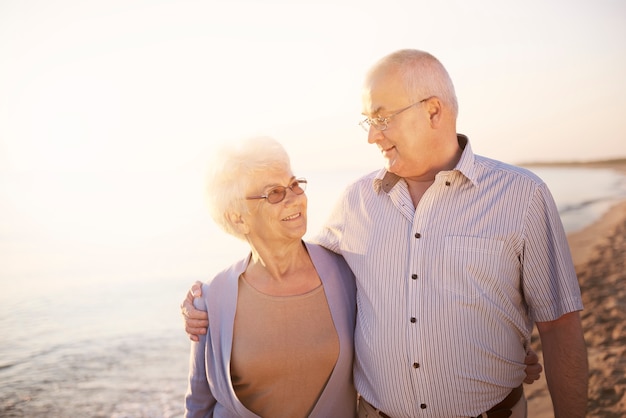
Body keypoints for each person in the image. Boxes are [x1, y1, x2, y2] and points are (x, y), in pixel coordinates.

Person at [184, 48, 585, 417]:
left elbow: (560, 325)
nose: (372, 136)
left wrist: (515, 346)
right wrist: (207, 299)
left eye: (381, 118)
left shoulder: (522, 195)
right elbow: (291, 259)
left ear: (432, 111)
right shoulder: (356, 201)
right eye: (368, 122)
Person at [184, 136, 357, 417]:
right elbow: (198, 405)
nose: (294, 198)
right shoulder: (210, 300)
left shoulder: (347, 273)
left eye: (294, 185)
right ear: (238, 217)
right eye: (275, 193)